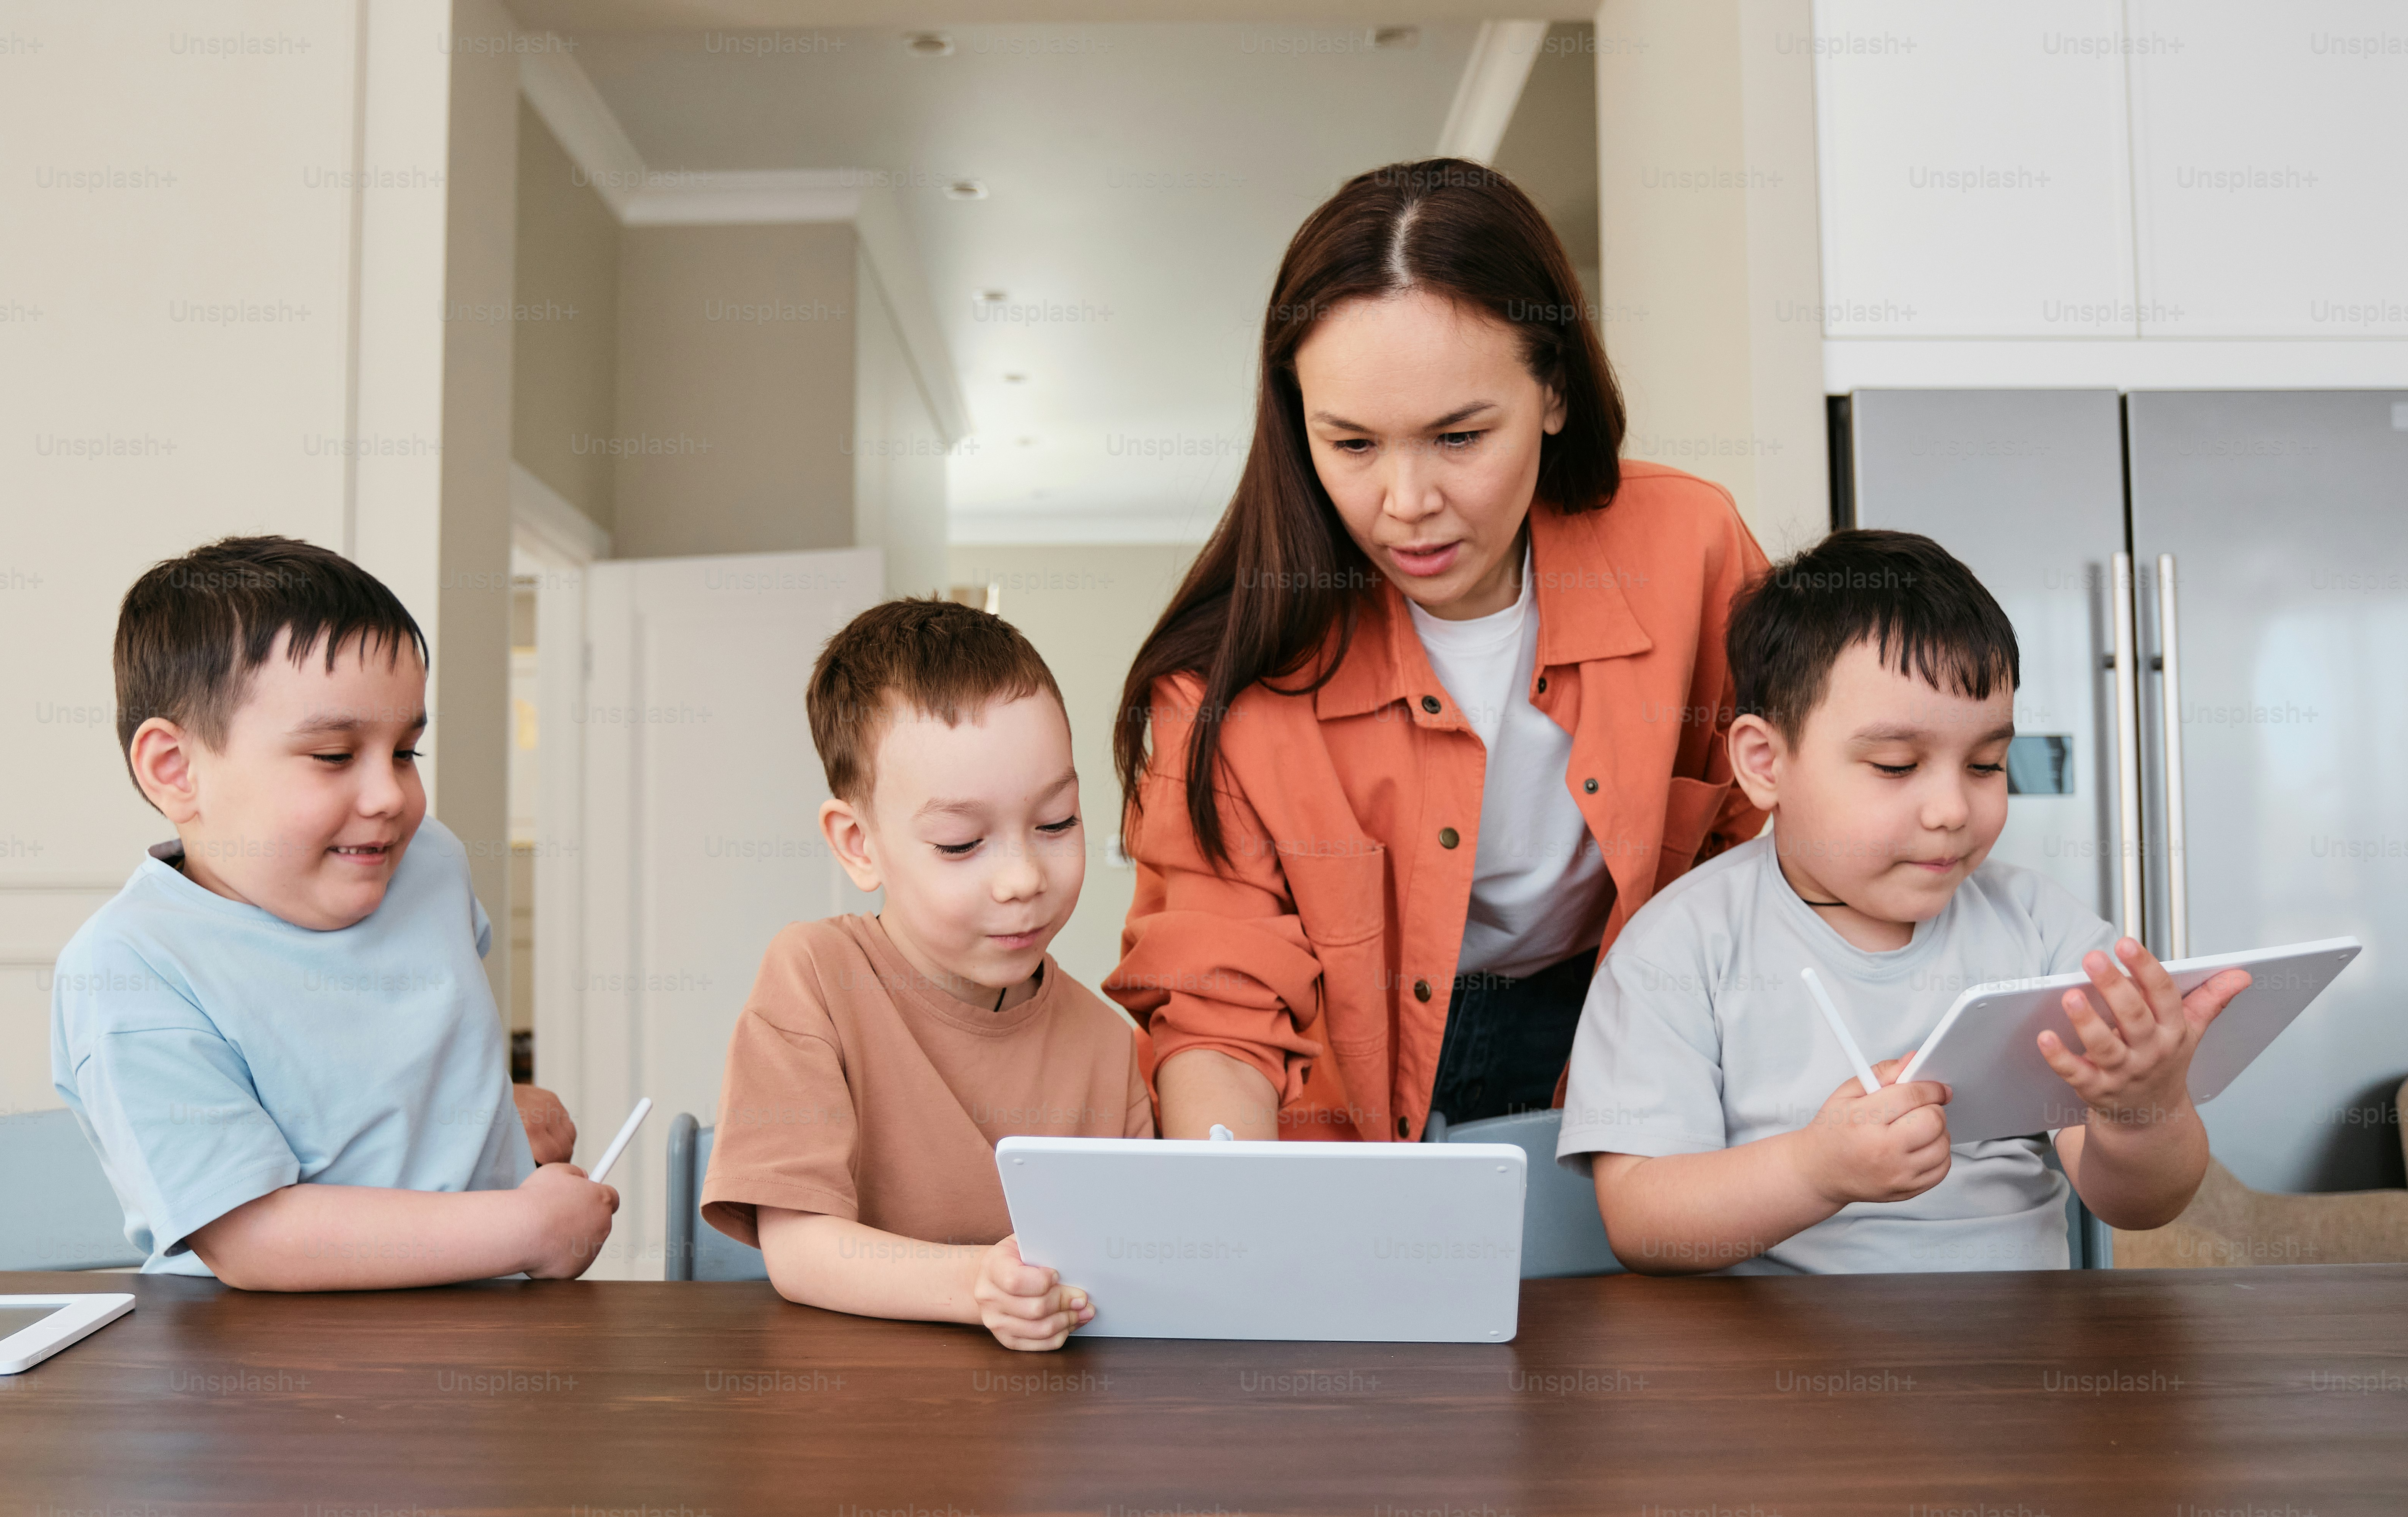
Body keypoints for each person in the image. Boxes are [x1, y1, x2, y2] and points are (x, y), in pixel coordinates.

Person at [1107, 158, 1768, 1145]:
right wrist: (1226, 1196)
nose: (1407, 504)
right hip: (1342, 1075)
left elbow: (1769, 843)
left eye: (1459, 437)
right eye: (1354, 445)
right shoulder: (1221, 682)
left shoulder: (1692, 548)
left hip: (1631, 1034)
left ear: (1554, 391)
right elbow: (1218, 999)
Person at [1558, 530, 2251, 1273]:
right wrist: (1812, 1171)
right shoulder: (1678, 947)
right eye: (1896, 766)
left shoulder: (2040, 930)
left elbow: (2141, 1207)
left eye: (1986, 764)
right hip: (1773, 1373)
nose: (1951, 808)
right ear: (1764, 763)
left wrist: (2139, 1110)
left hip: (2013, 1361)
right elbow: (1638, 1220)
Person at [50, 536, 613, 1287]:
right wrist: (528, 1229)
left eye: (406, 752)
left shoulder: (428, 861)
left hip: (484, 1335)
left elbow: (397, 1060)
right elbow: (255, 1240)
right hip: (269, 1365)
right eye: (334, 756)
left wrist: (493, 1105)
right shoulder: (130, 971)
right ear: (175, 770)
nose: (390, 796)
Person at [700, 598, 1152, 1351]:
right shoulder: (815, 976)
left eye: (1055, 823)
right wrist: (978, 1285)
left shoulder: (1107, 1044)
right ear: (857, 845)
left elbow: (1133, 1270)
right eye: (960, 842)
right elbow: (801, 1249)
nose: (1021, 879)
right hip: (859, 1424)